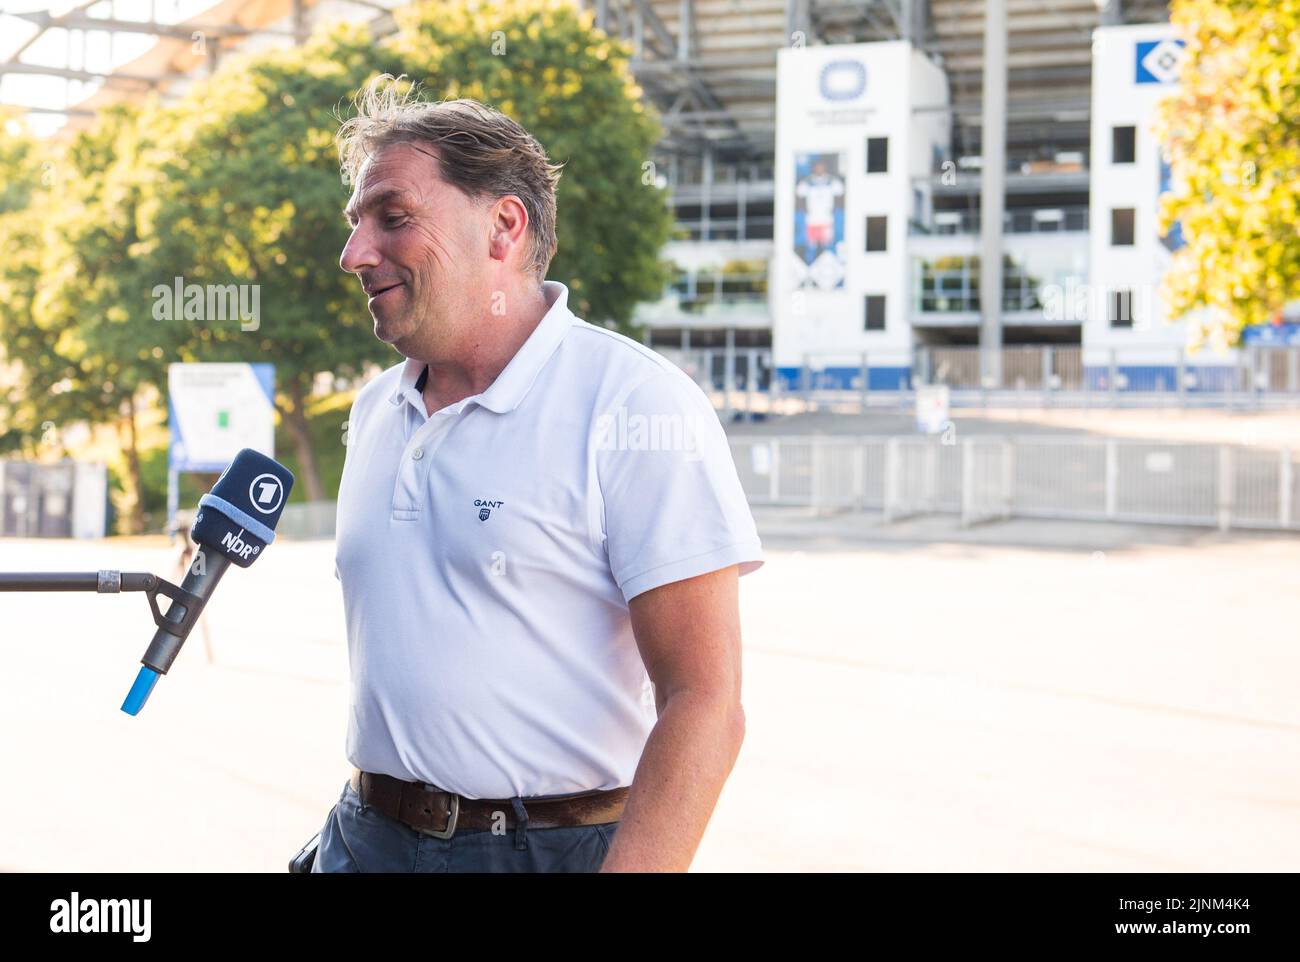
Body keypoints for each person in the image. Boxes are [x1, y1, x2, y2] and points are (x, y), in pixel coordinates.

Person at [309, 75, 763, 873]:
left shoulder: (635, 403)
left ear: (503, 227)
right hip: (364, 834)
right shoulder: (376, 408)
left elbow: (706, 703)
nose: (355, 255)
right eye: (356, 224)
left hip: (545, 850)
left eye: (394, 217)